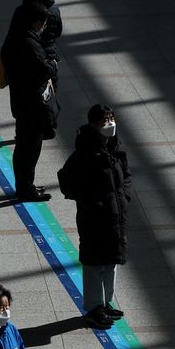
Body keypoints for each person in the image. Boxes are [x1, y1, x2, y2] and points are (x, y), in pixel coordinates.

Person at [69, 105, 132, 329]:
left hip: (116, 215)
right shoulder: (85, 153)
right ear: (94, 124)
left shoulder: (114, 145)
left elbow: (125, 174)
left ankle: (105, 303)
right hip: (95, 219)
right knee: (94, 264)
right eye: (105, 121)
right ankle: (94, 307)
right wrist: (95, 205)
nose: (110, 125)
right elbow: (70, 184)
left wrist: (124, 197)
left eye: (112, 119)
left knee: (111, 261)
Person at [1, 2, 57, 202]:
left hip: (22, 101)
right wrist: (52, 64)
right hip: (32, 105)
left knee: (24, 146)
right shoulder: (28, 43)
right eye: (43, 22)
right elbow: (41, 71)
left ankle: (25, 184)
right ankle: (25, 189)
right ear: (35, 22)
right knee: (30, 149)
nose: (44, 27)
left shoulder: (14, 38)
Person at [9, 0, 62, 80]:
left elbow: (12, 35)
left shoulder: (21, 11)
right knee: (46, 88)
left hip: (24, 58)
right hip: (49, 55)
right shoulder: (55, 10)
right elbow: (58, 32)